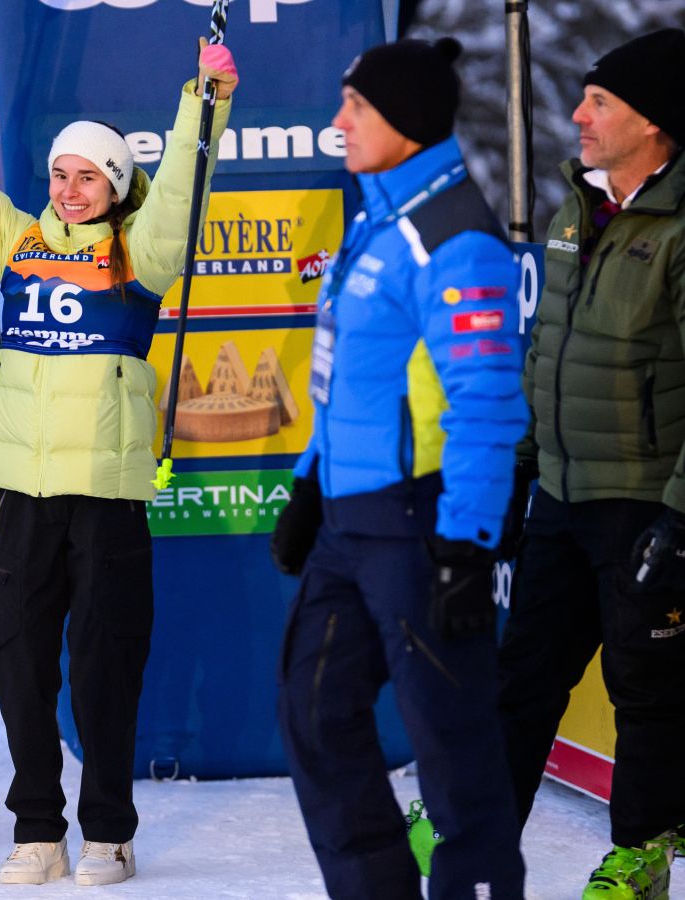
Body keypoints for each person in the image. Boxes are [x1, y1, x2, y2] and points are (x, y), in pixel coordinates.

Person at [0, 11, 237, 885]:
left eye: (87, 175)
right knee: (15, 659)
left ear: (117, 184)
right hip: (23, 491)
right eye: (59, 172)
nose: (69, 187)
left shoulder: (142, 252)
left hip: (107, 495)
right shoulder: (15, 241)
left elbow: (182, 194)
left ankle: (108, 833)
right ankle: (37, 829)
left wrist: (205, 97)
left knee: (103, 666)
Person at [268, 38, 527, 898]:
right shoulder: (376, 220)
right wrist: (311, 479)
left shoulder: (454, 238)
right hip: (351, 522)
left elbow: (488, 400)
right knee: (312, 711)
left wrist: (468, 541)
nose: (339, 123)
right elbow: (349, 379)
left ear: (407, 126)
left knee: (452, 744)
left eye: (358, 109)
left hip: (422, 525)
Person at [496, 27, 685, 899]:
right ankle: (481, 833)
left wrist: (679, 520)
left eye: (599, 101)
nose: (577, 115)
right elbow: (550, 353)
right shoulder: (581, 206)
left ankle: (642, 855)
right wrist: (520, 472)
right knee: (524, 673)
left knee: (645, 688)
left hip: (645, 505)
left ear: (654, 123)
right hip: (563, 492)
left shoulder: (680, 227)